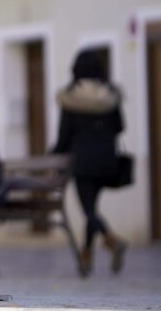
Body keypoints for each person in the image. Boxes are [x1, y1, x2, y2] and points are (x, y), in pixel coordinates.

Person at [52, 49, 127, 274]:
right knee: (92, 209)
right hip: (106, 161)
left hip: (83, 162)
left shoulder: (71, 97)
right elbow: (120, 127)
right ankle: (86, 255)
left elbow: (64, 136)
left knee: (89, 211)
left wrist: (55, 155)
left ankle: (112, 240)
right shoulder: (110, 94)